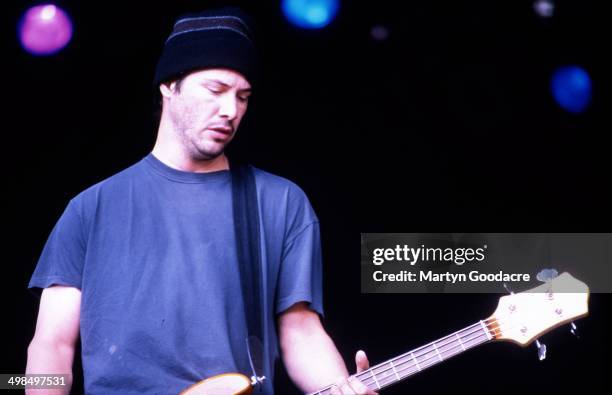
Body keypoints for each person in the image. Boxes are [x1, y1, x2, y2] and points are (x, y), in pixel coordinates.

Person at [26, 7, 376, 395]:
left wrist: (342, 388)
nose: (231, 111)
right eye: (215, 90)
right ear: (168, 85)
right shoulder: (90, 210)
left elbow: (300, 331)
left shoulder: (281, 203)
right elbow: (50, 345)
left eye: (243, 97)